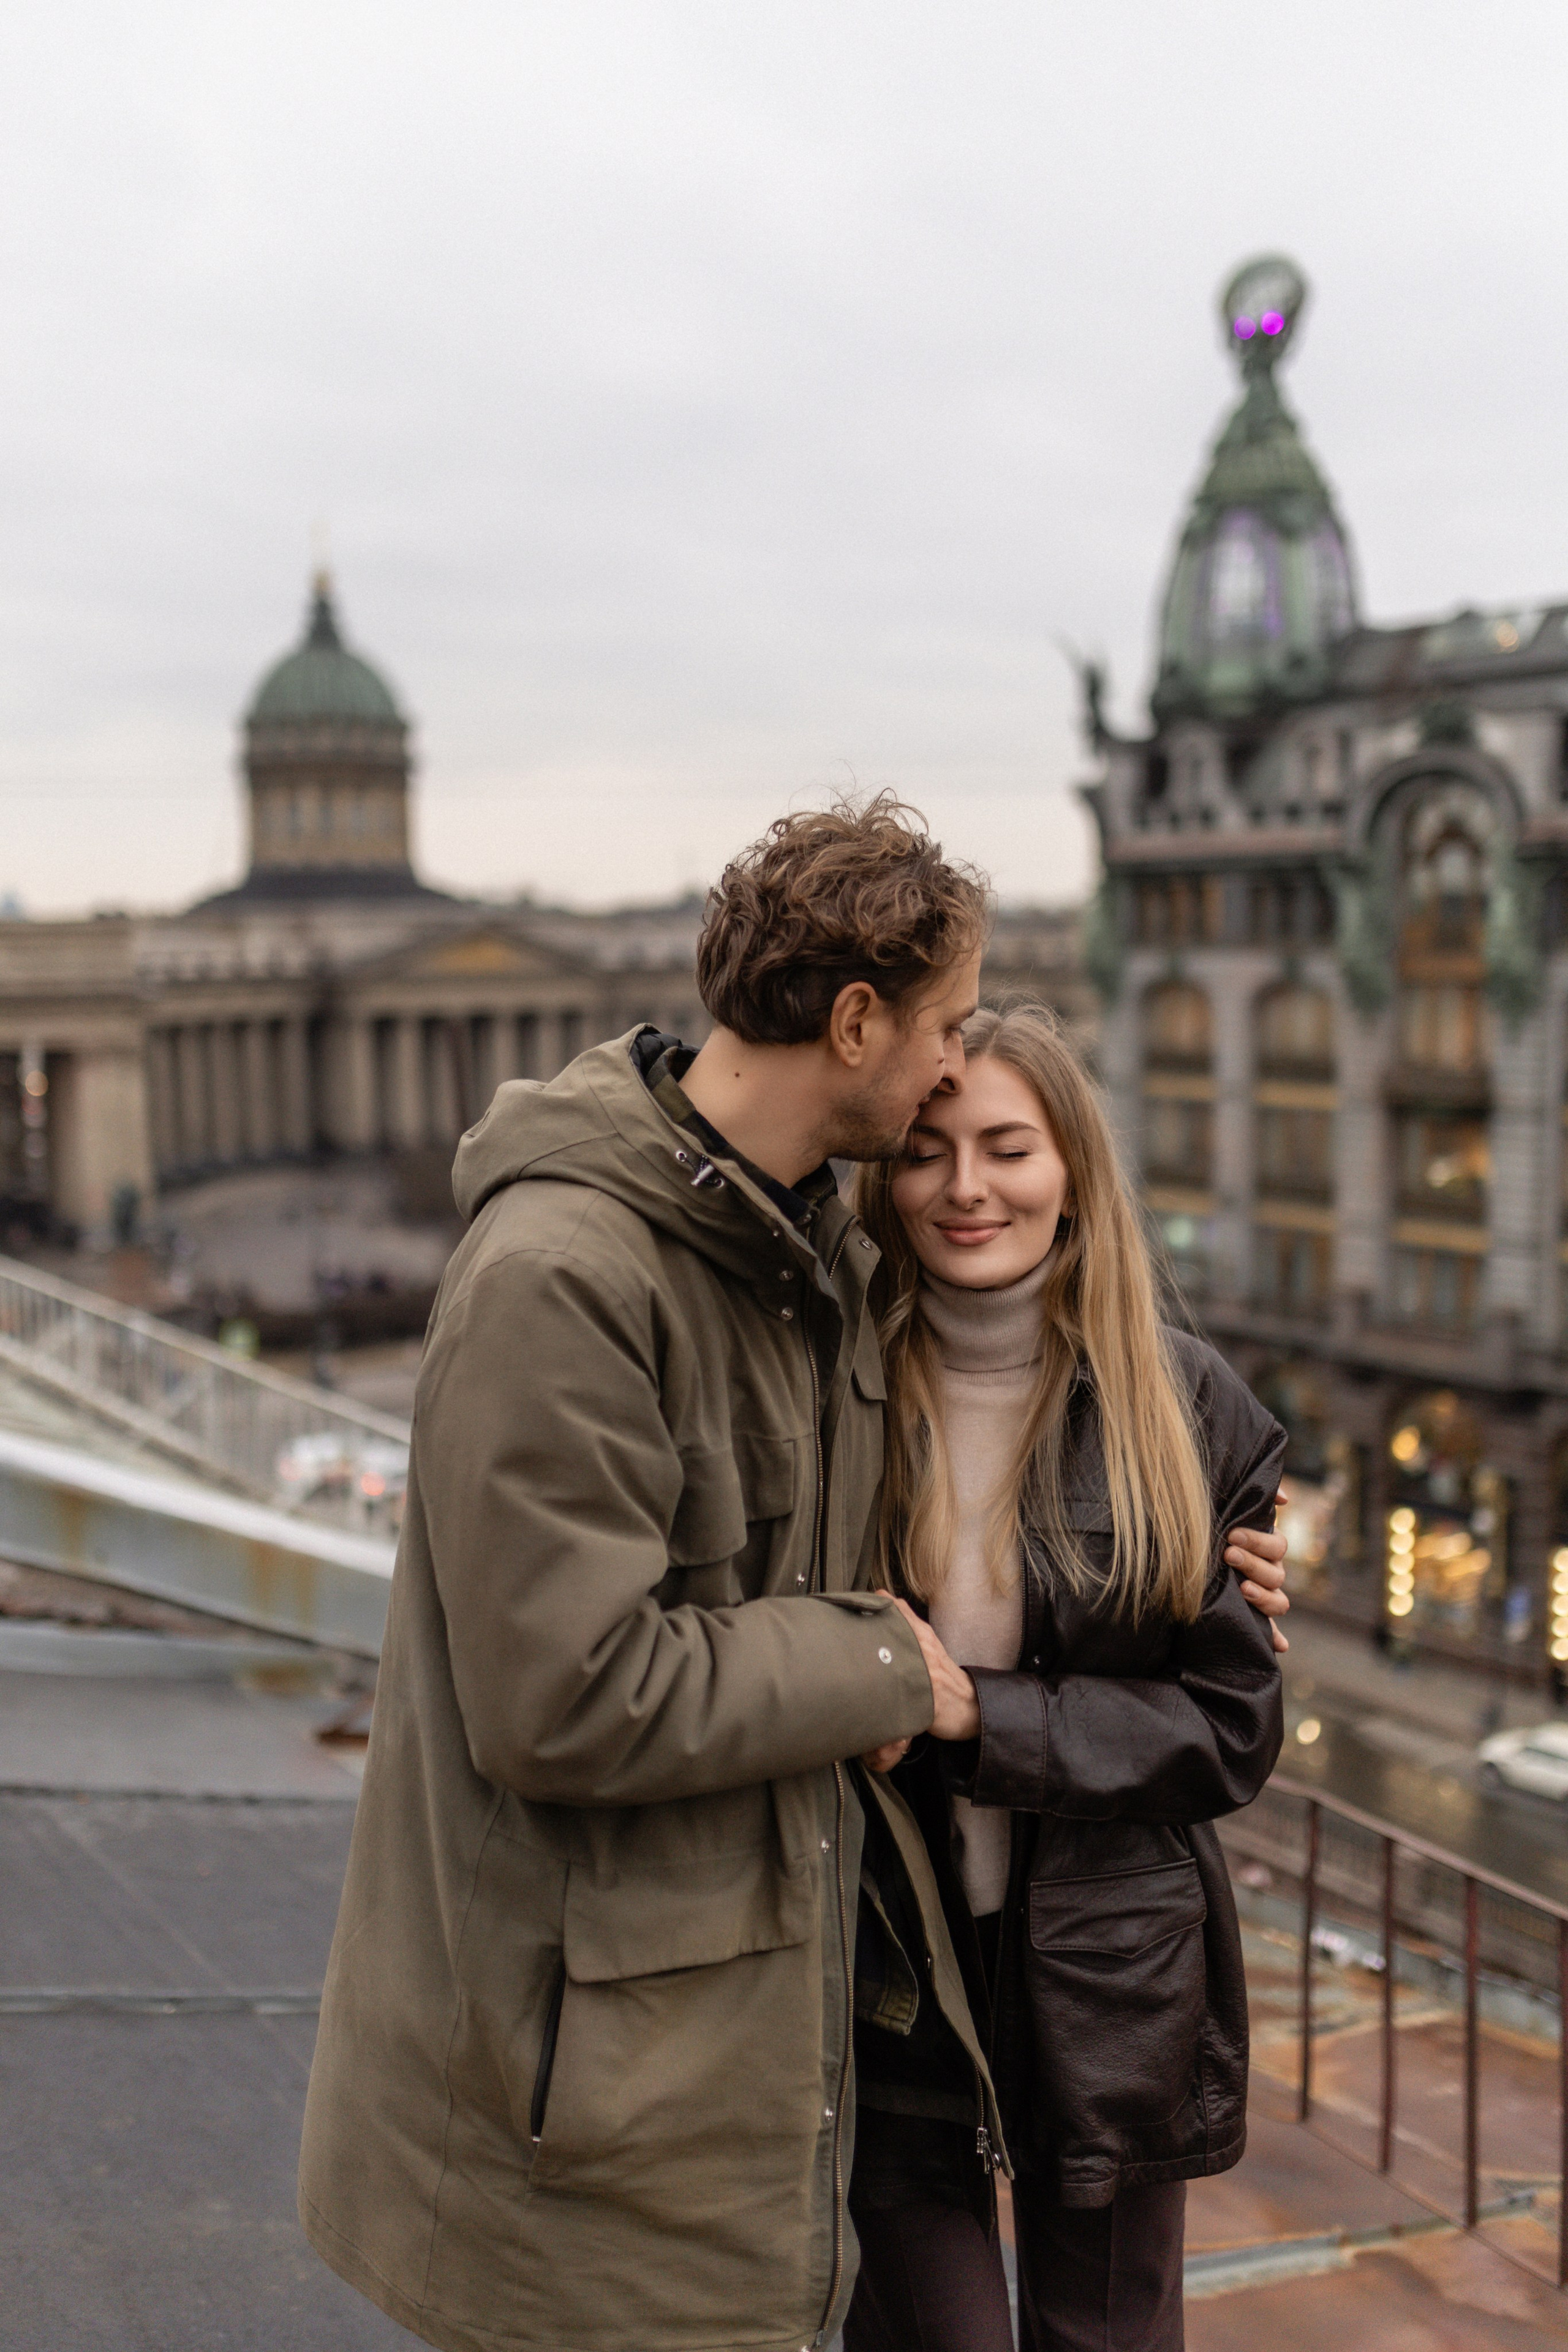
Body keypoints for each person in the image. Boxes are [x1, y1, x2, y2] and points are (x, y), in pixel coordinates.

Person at [298, 796, 1005, 2352]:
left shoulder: (808, 1247)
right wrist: (875, 1668)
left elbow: (1036, 1309)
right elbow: (565, 1696)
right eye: (947, 1028)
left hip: (703, 2080)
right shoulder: (567, 1276)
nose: (960, 1068)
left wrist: (1198, 1522)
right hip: (581, 2133)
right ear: (855, 1019)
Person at [845, 1001, 1289, 2352]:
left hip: (1109, 1977)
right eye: (925, 1150)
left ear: (1071, 1170)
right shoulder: (833, 1388)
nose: (965, 1188)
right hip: (887, 1962)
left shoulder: (1185, 1404)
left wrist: (984, 1712)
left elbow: (1227, 1730)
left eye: (1006, 1147)